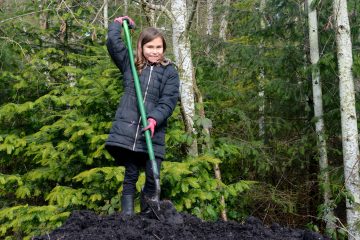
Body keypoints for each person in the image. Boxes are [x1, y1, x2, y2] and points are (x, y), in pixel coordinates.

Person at [105, 16, 180, 215]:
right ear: (141, 47)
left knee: (150, 176)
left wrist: (154, 118)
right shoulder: (131, 63)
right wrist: (117, 25)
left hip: (153, 134)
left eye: (158, 47)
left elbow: (169, 100)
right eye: (150, 47)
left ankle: (149, 215)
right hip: (130, 132)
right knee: (130, 174)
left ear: (164, 48)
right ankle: (127, 218)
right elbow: (114, 43)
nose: (155, 52)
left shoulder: (169, 72)